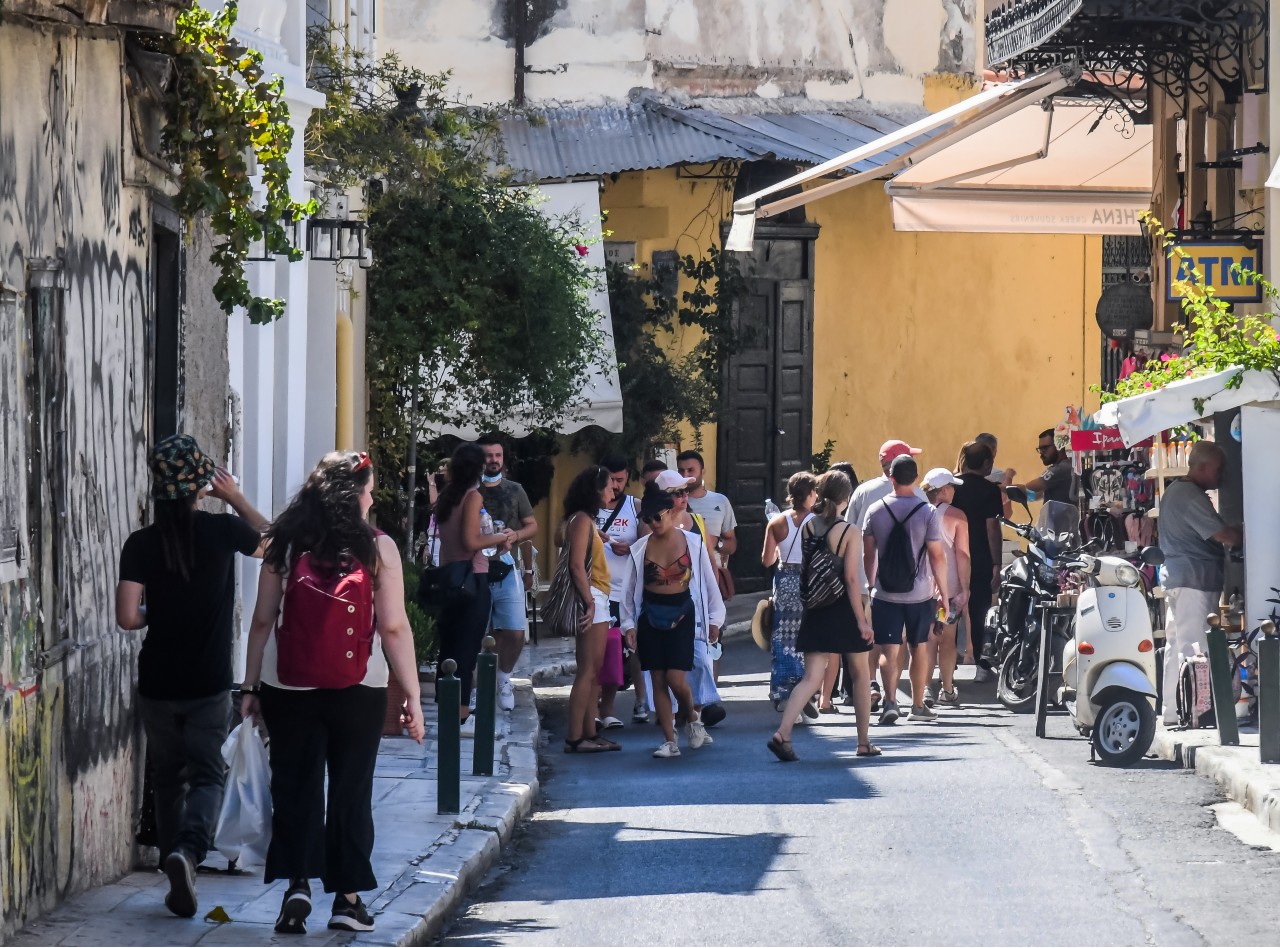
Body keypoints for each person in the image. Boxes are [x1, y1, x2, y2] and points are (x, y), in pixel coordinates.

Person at [241, 451, 424, 935]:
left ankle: (297, 886)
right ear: (356, 495)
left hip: (289, 685)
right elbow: (393, 627)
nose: (371, 497)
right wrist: (412, 694)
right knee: (350, 791)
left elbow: (262, 620)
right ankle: (346, 900)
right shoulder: (378, 548)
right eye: (368, 489)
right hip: (358, 688)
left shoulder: (284, 544)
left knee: (296, 787)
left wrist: (250, 684)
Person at [115, 434, 267, 919]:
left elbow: (126, 617)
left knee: (166, 776)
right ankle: (187, 852)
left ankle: (171, 863)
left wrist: (154, 612)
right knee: (207, 776)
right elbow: (276, 544)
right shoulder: (223, 531)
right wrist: (235, 498)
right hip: (207, 682)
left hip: (157, 681)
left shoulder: (140, 543)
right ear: (201, 483)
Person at [766, 471, 876, 762]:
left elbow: (806, 570)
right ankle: (863, 742)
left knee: (811, 677)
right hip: (843, 606)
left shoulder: (808, 526)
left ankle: (783, 733)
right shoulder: (849, 530)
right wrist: (862, 621)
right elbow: (852, 580)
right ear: (846, 498)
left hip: (815, 606)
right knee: (860, 674)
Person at [620, 484, 725, 758]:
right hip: (651, 615)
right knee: (657, 678)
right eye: (648, 519)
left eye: (658, 517)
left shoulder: (693, 542)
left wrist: (715, 618)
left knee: (676, 679)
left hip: (683, 612)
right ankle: (669, 740)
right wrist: (628, 625)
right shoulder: (640, 549)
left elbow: (707, 583)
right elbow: (629, 591)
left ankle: (692, 717)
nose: (653, 523)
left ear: (670, 513)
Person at [1157, 440, 1243, 725]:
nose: (1220, 477)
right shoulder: (1190, 496)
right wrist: (1243, 534)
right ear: (1205, 467)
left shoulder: (1175, 491)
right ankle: (1192, 712)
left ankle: (1172, 710)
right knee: (1192, 647)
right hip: (1194, 579)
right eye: (1218, 470)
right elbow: (1222, 535)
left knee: (1176, 643)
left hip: (1181, 578)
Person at [863, 454, 949, 723]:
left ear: (891, 478)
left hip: (885, 593)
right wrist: (943, 593)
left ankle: (890, 702)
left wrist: (871, 582)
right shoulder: (927, 512)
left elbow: (869, 554)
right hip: (920, 593)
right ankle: (918, 705)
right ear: (915, 479)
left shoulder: (875, 510)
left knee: (889, 650)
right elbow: (937, 556)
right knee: (918, 648)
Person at [847, 440, 926, 713]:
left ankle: (871, 685)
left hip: (867, 580)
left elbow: (850, 532)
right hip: (912, 583)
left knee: (873, 638)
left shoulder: (863, 492)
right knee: (907, 643)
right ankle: (907, 698)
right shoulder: (920, 499)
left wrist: (864, 580)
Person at [433, 443, 506, 734]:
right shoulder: (472, 497)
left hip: (449, 577)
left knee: (448, 647)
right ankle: (461, 716)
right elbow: (471, 541)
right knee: (467, 649)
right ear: (477, 469)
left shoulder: (445, 498)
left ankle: (447, 710)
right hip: (472, 579)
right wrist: (500, 536)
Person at [656, 469, 725, 726]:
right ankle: (673, 714)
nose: (683, 497)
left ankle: (694, 712)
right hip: (666, 603)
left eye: (685, 492)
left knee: (699, 659)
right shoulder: (655, 525)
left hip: (696, 601)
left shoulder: (696, 520)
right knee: (670, 663)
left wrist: (713, 605)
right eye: (676, 493)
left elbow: (709, 563)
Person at [475, 434, 539, 714]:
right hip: (474, 571)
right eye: (488, 456)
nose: (493, 460)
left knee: (514, 632)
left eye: (497, 456)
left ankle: (504, 678)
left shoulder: (516, 490)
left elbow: (532, 526)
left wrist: (517, 534)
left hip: (506, 569)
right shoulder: (469, 490)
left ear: (503, 459)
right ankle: (477, 690)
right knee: (477, 634)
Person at [561, 466, 621, 753]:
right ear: (595, 489)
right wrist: (589, 600)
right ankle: (575, 736)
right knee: (587, 670)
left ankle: (588, 732)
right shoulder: (582, 519)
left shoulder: (584, 520)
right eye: (609, 486)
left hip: (598, 595)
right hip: (593, 595)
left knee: (594, 669)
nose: (614, 491)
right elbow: (576, 564)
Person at [595, 456, 648, 727]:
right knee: (601, 649)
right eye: (611, 480)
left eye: (620, 479)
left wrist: (631, 548)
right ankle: (602, 707)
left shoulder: (635, 506)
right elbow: (562, 536)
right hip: (597, 591)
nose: (615, 485)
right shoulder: (589, 508)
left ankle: (641, 700)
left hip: (627, 591)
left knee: (633, 647)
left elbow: (649, 541)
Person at [761, 471, 817, 709]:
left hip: (784, 582)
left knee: (783, 640)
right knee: (809, 638)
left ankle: (783, 692)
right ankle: (806, 692)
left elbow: (766, 560)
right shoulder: (817, 522)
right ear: (811, 494)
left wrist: (780, 553)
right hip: (809, 581)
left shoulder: (777, 522)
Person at [950, 440, 1004, 679]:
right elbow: (992, 528)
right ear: (985, 463)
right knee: (980, 609)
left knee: (950, 609)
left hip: (952, 554)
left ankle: (947, 658)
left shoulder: (952, 486)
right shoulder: (989, 490)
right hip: (979, 556)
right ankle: (982, 664)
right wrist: (997, 562)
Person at [921, 467, 971, 707]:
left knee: (928, 638)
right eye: (951, 487)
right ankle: (947, 687)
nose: (953, 491)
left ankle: (925, 688)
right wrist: (965, 588)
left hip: (921, 588)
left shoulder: (918, 512)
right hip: (947, 590)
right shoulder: (957, 516)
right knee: (947, 639)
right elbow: (962, 555)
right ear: (942, 491)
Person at [1016, 428, 1077, 504]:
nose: (1042, 453)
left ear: (1059, 447)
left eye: (1045, 448)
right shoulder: (1066, 467)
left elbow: (1028, 488)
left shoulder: (1060, 469)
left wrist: (1000, 487)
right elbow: (1037, 495)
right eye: (1040, 449)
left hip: (1059, 515)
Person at [974, 432, 1014, 520]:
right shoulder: (1000, 477)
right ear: (994, 452)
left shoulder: (959, 475)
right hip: (989, 530)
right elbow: (1006, 514)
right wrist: (1009, 479)